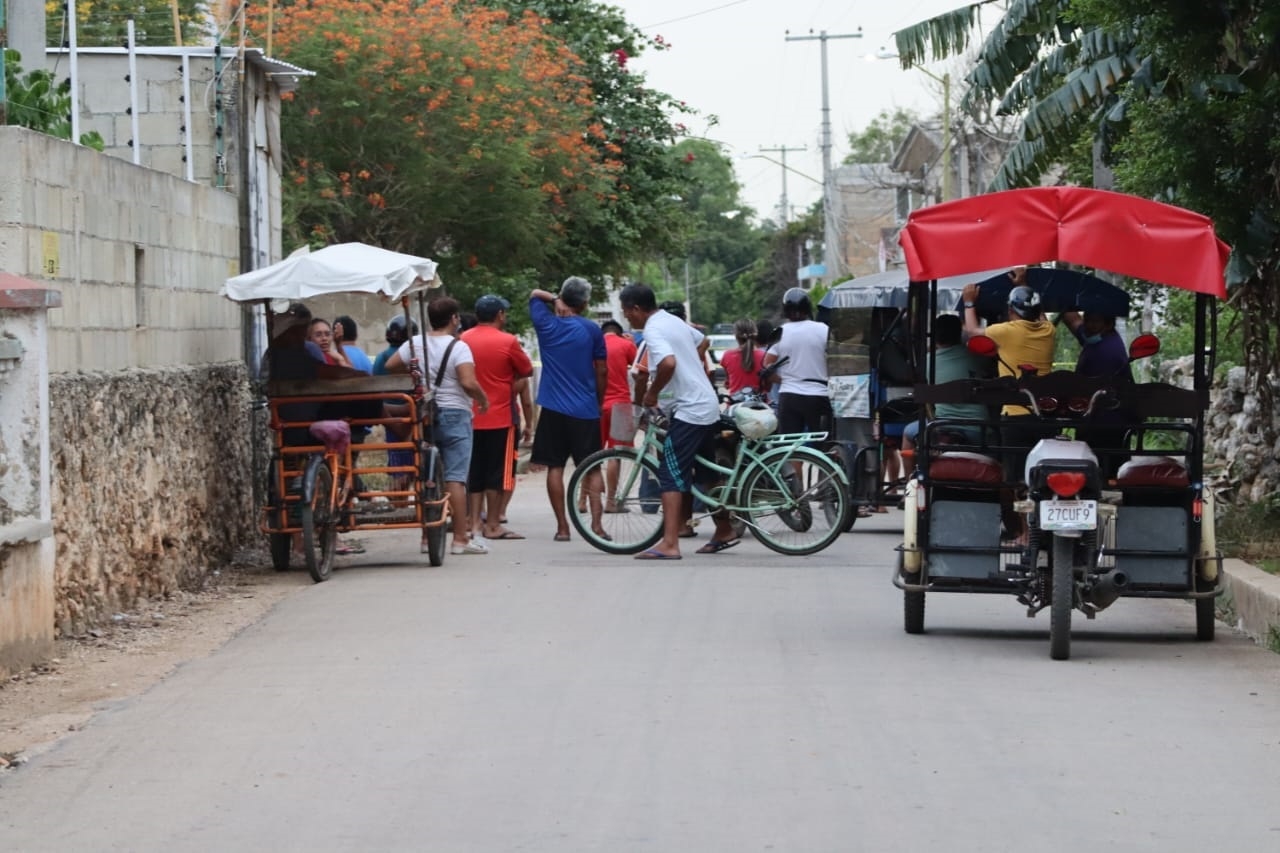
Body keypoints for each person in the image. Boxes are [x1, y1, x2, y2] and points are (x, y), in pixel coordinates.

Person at [619, 283, 739, 559]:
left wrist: (651, 393)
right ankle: (724, 529)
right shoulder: (672, 320)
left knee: (670, 472)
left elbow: (668, 364)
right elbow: (702, 341)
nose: (629, 319)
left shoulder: (653, 329)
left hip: (690, 410)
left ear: (637, 309)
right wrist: (692, 368)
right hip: (705, 404)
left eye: (628, 313)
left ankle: (670, 543)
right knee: (707, 474)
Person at [385, 297, 491, 556]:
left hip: (425, 415)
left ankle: (426, 537)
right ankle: (460, 540)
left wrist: (418, 376)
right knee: (455, 478)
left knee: (427, 475)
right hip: (455, 414)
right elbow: (467, 382)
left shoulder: (416, 343)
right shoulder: (459, 347)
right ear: (454, 319)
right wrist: (482, 398)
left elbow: (390, 366)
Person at [961, 271, 1056, 541]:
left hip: (1014, 416)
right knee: (1040, 475)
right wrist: (1024, 286)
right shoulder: (1049, 331)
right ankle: (1038, 531)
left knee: (1014, 478)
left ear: (1011, 312)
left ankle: (1024, 533)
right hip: (1043, 417)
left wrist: (969, 302)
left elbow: (971, 332)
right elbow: (1040, 316)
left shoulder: (1007, 331)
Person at [529, 276, 607, 541]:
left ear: (563, 297)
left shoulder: (546, 324)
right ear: (585, 303)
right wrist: (598, 400)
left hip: (552, 408)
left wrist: (553, 299)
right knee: (593, 468)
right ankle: (596, 526)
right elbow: (602, 370)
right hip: (585, 409)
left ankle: (562, 527)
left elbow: (534, 293)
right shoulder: (591, 330)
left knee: (555, 467)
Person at [461, 294, 533, 542]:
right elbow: (527, 370)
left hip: (469, 417)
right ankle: (493, 524)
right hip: (500, 417)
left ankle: (473, 524)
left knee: (474, 471)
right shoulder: (508, 341)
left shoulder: (463, 339)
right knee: (497, 474)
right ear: (500, 315)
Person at [902, 313, 993, 454]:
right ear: (959, 334)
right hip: (979, 429)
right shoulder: (977, 356)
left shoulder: (928, 361)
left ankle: (909, 477)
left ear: (935, 336)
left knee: (908, 434)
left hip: (941, 427)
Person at [1061, 310, 1134, 477]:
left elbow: (1087, 386)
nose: (1089, 325)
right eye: (1087, 320)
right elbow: (1074, 323)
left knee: (1101, 468)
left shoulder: (1108, 350)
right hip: (1095, 417)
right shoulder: (1096, 338)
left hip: (1107, 419)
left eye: (1095, 321)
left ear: (1108, 324)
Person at [762, 287, 832, 437]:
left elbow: (766, 365)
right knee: (824, 443)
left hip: (789, 396)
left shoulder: (780, 331)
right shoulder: (823, 330)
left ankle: (795, 461)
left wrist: (784, 380)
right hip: (818, 394)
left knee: (790, 444)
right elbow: (836, 359)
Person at [595, 319, 639, 515]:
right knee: (615, 454)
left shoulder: (593, 345)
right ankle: (611, 502)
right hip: (620, 404)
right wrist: (633, 344)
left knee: (591, 456)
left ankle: (582, 500)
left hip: (596, 404)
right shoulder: (625, 344)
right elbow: (639, 367)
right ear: (619, 333)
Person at [720, 318, 765, 394]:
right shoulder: (764, 356)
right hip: (759, 403)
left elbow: (728, 383)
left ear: (736, 335)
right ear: (755, 334)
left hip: (736, 403)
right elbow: (767, 386)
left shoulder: (727, 355)